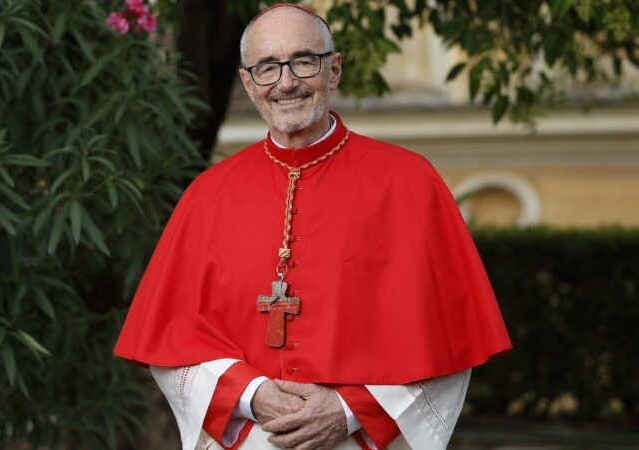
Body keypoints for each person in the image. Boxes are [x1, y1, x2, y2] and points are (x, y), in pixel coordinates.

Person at [114, 4, 511, 449]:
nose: (286, 82)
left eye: (303, 61)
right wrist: (251, 394)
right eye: (267, 67)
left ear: (334, 69)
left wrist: (348, 410)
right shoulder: (208, 194)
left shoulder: (410, 182)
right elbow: (172, 343)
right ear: (247, 83)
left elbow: (450, 343)